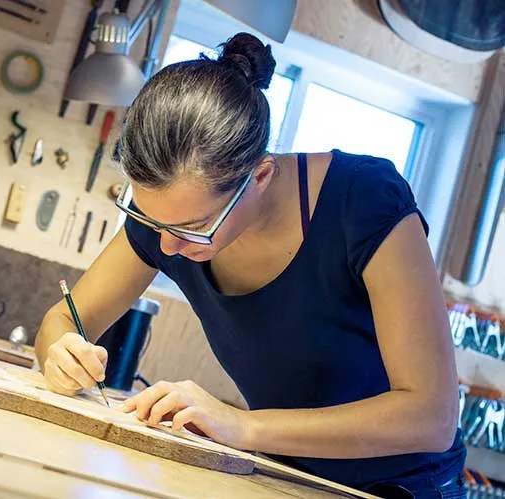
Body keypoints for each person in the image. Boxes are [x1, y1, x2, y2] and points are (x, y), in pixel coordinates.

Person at [35, 32, 466, 497]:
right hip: (287, 478)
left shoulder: (362, 199)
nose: (167, 245)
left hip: (401, 488)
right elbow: (64, 318)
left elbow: (432, 418)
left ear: (259, 176)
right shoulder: (168, 220)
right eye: (149, 218)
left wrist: (243, 427)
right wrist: (60, 353)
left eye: (193, 226)